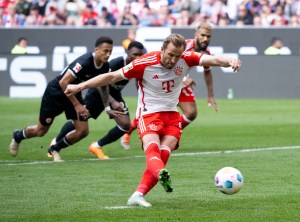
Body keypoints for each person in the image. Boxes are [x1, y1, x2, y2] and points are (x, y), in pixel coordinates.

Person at [64, 33, 242, 207]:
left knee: (165, 151)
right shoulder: (144, 63)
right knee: (153, 147)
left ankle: (138, 194)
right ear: (162, 49)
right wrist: (80, 86)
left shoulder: (187, 58)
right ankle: (160, 173)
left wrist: (231, 61)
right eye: (170, 55)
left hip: (172, 114)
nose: (173, 60)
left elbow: (216, 60)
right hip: (149, 113)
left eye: (177, 56)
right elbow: (111, 77)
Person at [9, 36, 114, 162]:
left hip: (74, 94)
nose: (108, 55)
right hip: (56, 93)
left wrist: (107, 107)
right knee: (40, 131)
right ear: (96, 49)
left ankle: (55, 149)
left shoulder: (105, 67)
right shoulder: (84, 62)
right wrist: (77, 105)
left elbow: (103, 86)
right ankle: (17, 136)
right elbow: (63, 82)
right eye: (105, 51)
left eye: (110, 52)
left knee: (83, 131)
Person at [120, 22, 218, 149]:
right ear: (196, 34)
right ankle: (128, 132)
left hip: (179, 83)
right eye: (203, 35)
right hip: (165, 81)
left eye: (208, 36)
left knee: (191, 113)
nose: (205, 39)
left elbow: (207, 72)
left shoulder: (206, 52)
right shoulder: (184, 46)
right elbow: (167, 63)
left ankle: (168, 134)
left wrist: (210, 95)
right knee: (154, 110)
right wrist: (184, 79)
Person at [49, 41, 145, 159]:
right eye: (135, 54)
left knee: (125, 125)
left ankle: (96, 146)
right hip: (96, 95)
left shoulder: (138, 65)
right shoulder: (116, 63)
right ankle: (56, 142)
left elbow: (139, 81)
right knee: (80, 121)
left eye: (141, 55)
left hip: (114, 95)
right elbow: (100, 83)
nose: (138, 58)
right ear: (127, 52)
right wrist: (112, 102)